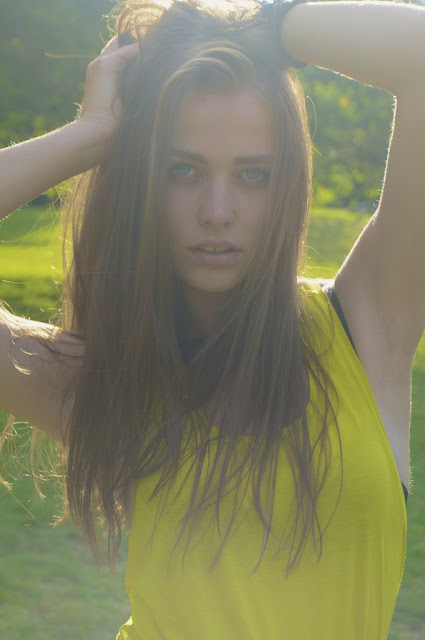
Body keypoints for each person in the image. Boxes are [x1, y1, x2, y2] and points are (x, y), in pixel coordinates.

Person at [0, 0, 423, 637]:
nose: (217, 211)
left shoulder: (367, 324)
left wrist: (265, 27)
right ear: (143, 182)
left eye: (253, 174)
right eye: (182, 170)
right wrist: (90, 136)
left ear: (287, 185)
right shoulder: (109, 379)